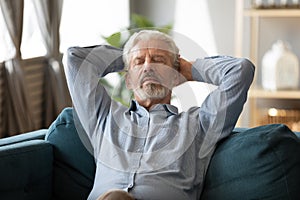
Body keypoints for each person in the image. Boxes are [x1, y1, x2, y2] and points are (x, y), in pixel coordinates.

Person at [64, 30, 255, 200]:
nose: (148, 67)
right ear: (128, 80)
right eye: (139, 62)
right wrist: (126, 57)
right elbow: (75, 59)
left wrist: (187, 69)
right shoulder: (104, 117)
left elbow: (240, 70)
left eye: (158, 60)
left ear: (175, 75)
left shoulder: (200, 125)